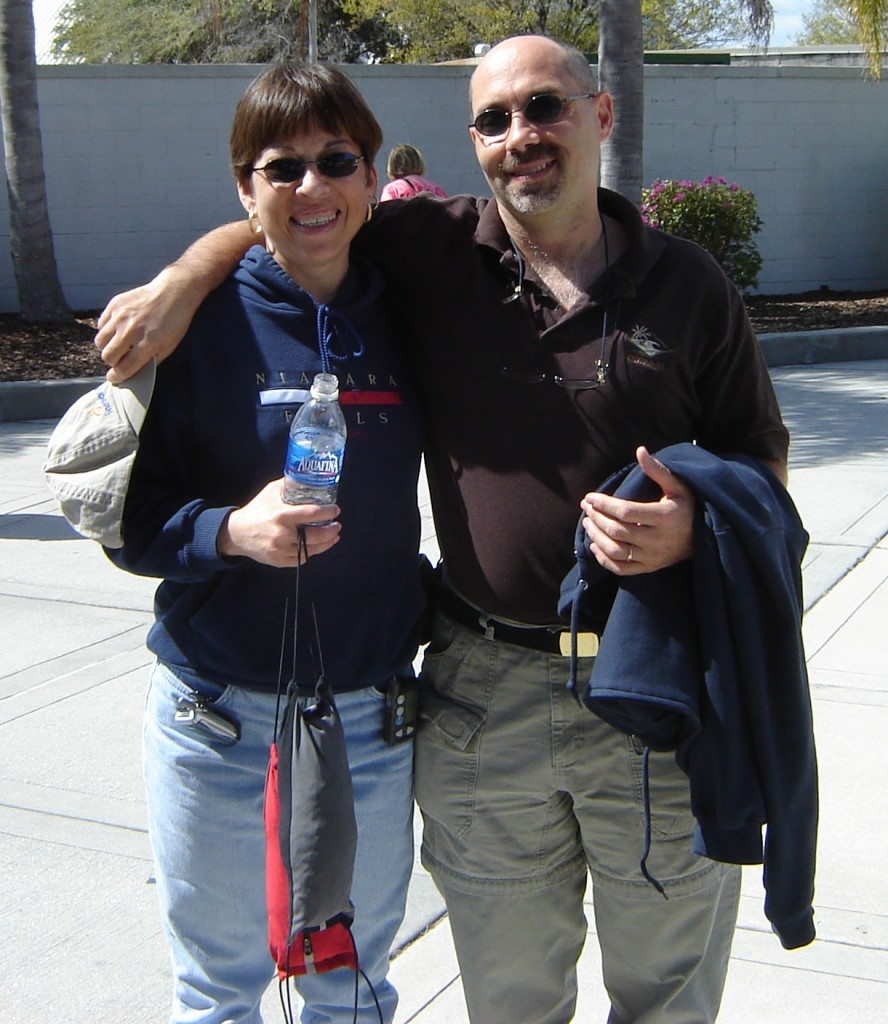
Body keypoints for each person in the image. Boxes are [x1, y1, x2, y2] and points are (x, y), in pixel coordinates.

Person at [93, 36, 798, 1024]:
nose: (524, 136)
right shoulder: (427, 252)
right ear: (473, 142)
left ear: (600, 115)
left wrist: (696, 527)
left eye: (546, 107)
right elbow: (290, 216)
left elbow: (761, 455)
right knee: (506, 1000)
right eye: (497, 119)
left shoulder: (688, 284)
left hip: (648, 682)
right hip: (479, 696)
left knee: (667, 993)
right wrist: (183, 277)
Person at [102, 62, 425, 1024]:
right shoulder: (190, 325)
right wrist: (229, 532)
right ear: (246, 190)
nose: (312, 188)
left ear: (373, 178)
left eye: (337, 161)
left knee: (350, 986)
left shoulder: (418, 307)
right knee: (219, 990)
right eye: (281, 169)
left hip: (369, 712)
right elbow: (128, 520)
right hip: (216, 717)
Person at [379, 143, 448, 201]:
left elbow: (386, 213)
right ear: (419, 162)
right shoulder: (436, 189)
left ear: (392, 166)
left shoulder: (393, 189)